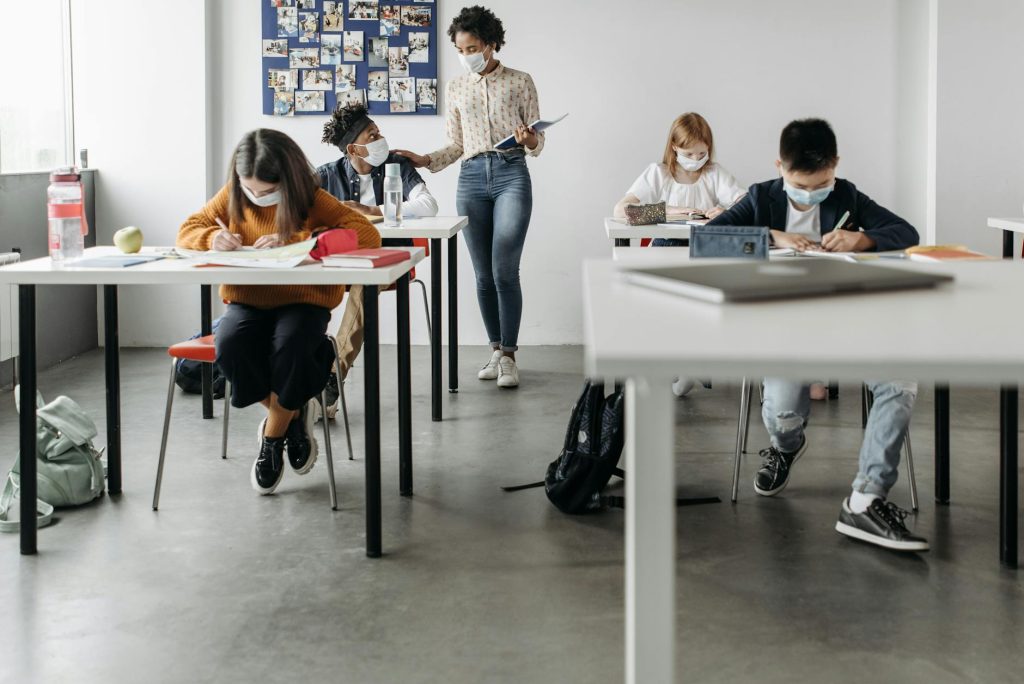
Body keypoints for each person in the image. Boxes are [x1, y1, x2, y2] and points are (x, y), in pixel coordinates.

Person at [708, 117, 927, 552]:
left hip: (851, 318)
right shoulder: (761, 198)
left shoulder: (847, 196)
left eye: (822, 182)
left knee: (900, 380)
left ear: (836, 167)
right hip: (784, 325)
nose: (811, 192)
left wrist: (861, 240)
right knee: (784, 416)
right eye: (800, 183)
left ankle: (865, 500)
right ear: (780, 167)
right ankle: (785, 447)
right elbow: (707, 241)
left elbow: (907, 233)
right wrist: (770, 236)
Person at [177, 129, 381, 496]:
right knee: (231, 346)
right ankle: (292, 416)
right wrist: (212, 239)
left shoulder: (310, 198)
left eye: (267, 191)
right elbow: (189, 229)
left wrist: (303, 240)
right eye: (249, 188)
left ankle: (272, 437)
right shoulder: (234, 195)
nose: (257, 196)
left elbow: (366, 235)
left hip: (305, 300)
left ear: (285, 179)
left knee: (292, 346)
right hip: (247, 298)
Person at [394, 5, 544, 389]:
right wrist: (425, 160)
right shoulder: (457, 87)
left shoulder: (521, 81)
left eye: (472, 47)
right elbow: (457, 144)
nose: (466, 56)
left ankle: (510, 355)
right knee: (481, 274)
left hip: (511, 173)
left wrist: (531, 139)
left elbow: (538, 140)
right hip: (471, 177)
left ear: (491, 44)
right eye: (460, 50)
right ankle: (496, 350)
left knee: (504, 270)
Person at [316, 102, 439, 417]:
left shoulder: (398, 165)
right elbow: (297, 212)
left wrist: (378, 212)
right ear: (354, 148)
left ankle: (330, 377)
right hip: (340, 259)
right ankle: (305, 372)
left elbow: (428, 205)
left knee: (364, 286)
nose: (381, 138)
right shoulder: (326, 176)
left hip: (390, 258)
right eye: (373, 135)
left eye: (379, 131)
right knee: (301, 290)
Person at [613, 112, 746, 246]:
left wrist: (728, 214)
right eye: (689, 154)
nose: (696, 159)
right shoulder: (659, 172)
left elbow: (747, 206)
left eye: (702, 154)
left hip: (704, 242)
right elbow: (619, 211)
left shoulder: (714, 173)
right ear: (674, 146)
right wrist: (668, 210)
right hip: (666, 244)